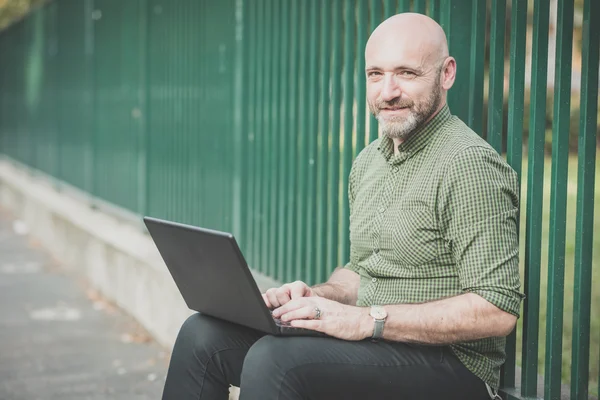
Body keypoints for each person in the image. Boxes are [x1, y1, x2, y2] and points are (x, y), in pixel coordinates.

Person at [162, 12, 524, 400]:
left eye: (406, 73)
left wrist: (368, 321)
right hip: (375, 343)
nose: (388, 91)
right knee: (203, 335)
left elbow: (495, 309)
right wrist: (317, 297)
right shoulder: (369, 161)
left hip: (453, 367)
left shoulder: (468, 164)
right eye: (375, 74)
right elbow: (364, 270)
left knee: (273, 360)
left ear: (446, 74)